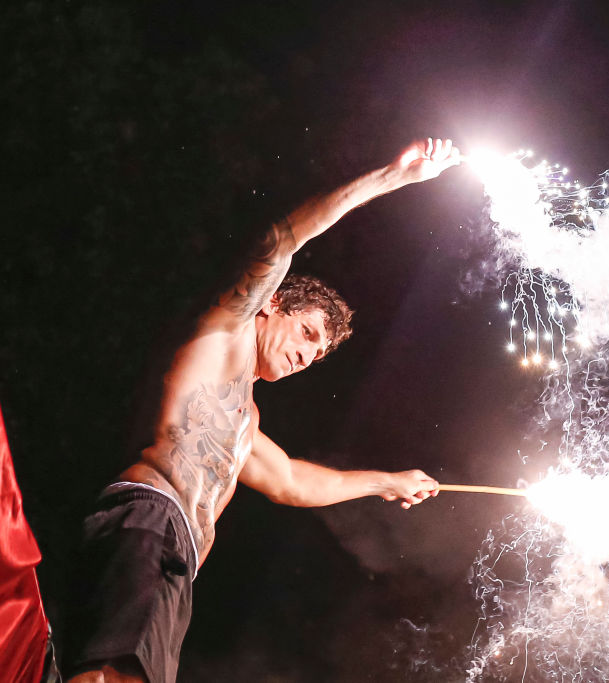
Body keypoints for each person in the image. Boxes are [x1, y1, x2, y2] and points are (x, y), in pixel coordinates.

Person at [64, 138, 461, 683]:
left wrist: (387, 482)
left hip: (175, 562)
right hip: (148, 521)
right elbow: (280, 240)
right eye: (306, 333)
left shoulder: (244, 418)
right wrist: (394, 177)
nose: (305, 356)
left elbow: (292, 481)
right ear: (272, 303)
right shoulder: (222, 335)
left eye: (316, 354)